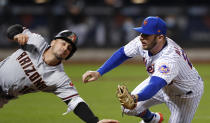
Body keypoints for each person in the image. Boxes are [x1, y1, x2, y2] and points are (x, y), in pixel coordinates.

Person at [82, 16, 204, 123]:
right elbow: (122, 53)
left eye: (146, 34)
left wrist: (135, 97)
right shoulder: (144, 41)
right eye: (141, 33)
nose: (141, 37)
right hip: (163, 84)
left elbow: (154, 85)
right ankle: (152, 119)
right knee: (128, 108)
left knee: (133, 102)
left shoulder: (169, 59)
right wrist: (99, 72)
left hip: (185, 95)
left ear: (160, 37)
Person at [0, 24, 119, 123]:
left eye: (69, 48)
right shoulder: (36, 41)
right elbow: (15, 29)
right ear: (53, 42)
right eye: (63, 43)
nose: (65, 48)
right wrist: (16, 35)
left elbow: (75, 102)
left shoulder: (59, 78)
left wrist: (94, 122)